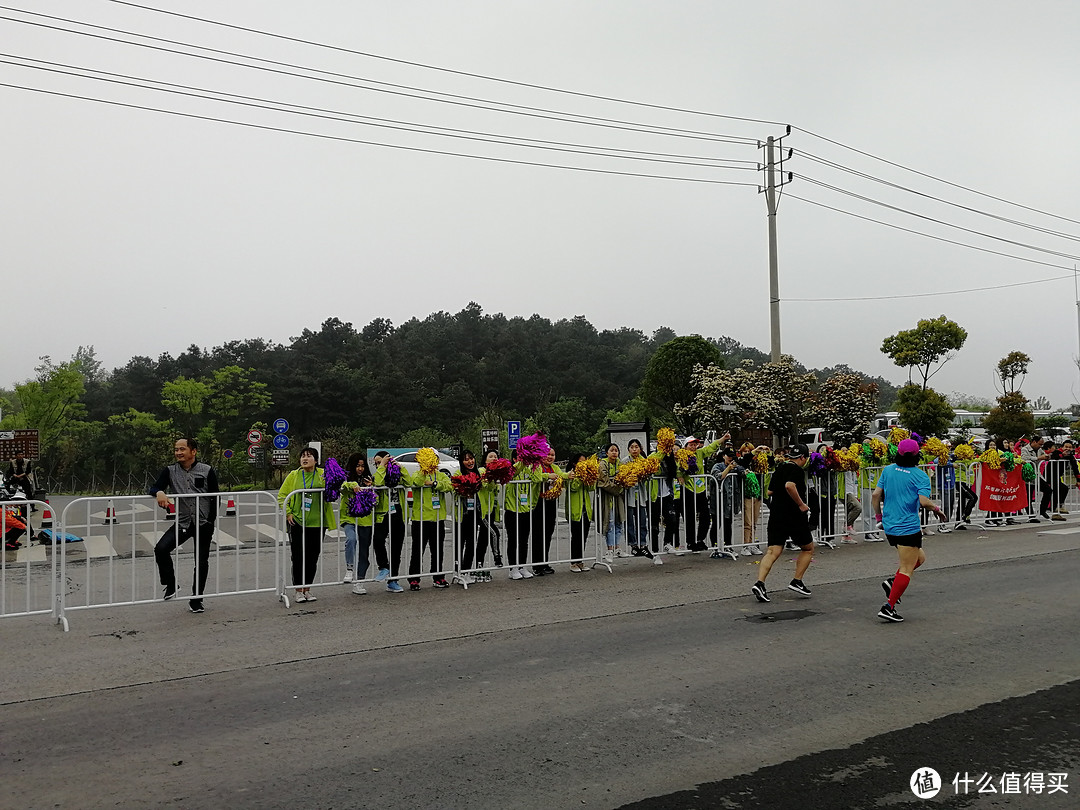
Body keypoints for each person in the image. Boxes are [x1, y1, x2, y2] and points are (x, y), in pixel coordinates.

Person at [874, 438, 948, 623]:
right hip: (907, 526)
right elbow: (924, 502)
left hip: (890, 525)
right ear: (917, 455)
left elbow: (876, 495)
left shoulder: (888, 470)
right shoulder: (920, 476)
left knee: (920, 558)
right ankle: (888, 607)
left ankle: (893, 583)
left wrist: (879, 517)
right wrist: (938, 510)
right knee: (907, 568)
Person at [149, 437, 219, 614]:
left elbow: (216, 497)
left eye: (182, 449)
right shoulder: (170, 471)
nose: (178, 453)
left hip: (203, 523)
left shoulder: (207, 470)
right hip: (183, 522)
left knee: (201, 561)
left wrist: (211, 521)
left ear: (193, 451)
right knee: (161, 549)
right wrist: (159, 492)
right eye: (176, 449)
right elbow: (154, 487)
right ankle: (171, 584)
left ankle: (197, 599)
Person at [751, 443, 814, 603]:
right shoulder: (797, 470)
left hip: (777, 513)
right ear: (802, 458)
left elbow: (770, 491)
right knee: (807, 548)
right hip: (793, 514)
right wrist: (801, 504)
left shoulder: (779, 469)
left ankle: (760, 583)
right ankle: (797, 581)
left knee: (773, 551)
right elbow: (789, 486)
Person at [278, 446, 336, 603]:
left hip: (318, 523)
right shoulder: (294, 475)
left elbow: (338, 486)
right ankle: (298, 590)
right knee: (298, 557)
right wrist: (288, 512)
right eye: (303, 456)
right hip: (298, 521)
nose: (305, 458)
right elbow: (282, 496)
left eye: (309, 456)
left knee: (312, 557)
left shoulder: (323, 474)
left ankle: (307, 589)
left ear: (316, 460)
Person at [406, 457, 453, 590]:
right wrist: (423, 471)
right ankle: (414, 578)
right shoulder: (417, 473)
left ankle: (438, 576)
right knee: (417, 550)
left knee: (437, 550)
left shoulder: (441, 474)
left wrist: (433, 484)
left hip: (437, 518)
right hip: (420, 519)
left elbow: (448, 485)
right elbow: (415, 482)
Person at [340, 452, 379, 595]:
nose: (360, 469)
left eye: (362, 466)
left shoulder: (370, 480)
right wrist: (353, 485)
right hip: (349, 518)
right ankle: (349, 569)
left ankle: (360, 581)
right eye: (357, 466)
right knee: (351, 539)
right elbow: (342, 487)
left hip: (366, 521)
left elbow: (376, 501)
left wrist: (371, 489)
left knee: (364, 552)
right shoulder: (346, 478)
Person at [504, 450, 543, 580]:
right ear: (515, 459)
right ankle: (512, 568)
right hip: (512, 510)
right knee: (513, 540)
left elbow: (537, 478)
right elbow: (514, 471)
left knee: (523, 540)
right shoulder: (511, 470)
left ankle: (522, 566)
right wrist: (523, 461)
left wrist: (536, 463)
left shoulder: (528, 470)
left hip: (525, 510)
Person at [372, 451, 407, 592]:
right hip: (383, 514)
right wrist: (381, 467)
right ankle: (384, 567)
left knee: (396, 549)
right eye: (376, 463)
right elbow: (378, 483)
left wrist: (398, 467)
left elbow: (409, 481)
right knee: (378, 540)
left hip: (398, 513)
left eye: (381, 461)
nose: (378, 465)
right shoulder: (378, 474)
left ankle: (393, 580)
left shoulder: (396, 474)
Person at [684, 434, 726, 551]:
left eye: (694, 445)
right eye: (691, 445)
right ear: (685, 446)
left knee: (706, 517)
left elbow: (711, 447)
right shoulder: (681, 456)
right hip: (688, 489)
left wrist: (722, 439)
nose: (693, 447)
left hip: (701, 489)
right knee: (690, 517)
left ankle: (700, 539)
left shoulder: (700, 453)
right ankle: (691, 542)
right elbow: (678, 469)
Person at [531, 447, 562, 575]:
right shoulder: (537, 466)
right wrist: (547, 476)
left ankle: (545, 562)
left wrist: (569, 475)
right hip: (538, 503)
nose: (550, 457)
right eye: (547, 454)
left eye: (552, 455)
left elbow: (562, 475)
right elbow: (536, 477)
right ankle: (537, 565)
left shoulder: (554, 467)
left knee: (548, 533)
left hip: (551, 502)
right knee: (538, 534)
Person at [565, 452, 595, 572]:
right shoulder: (570, 475)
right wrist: (579, 476)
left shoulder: (584, 474)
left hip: (585, 510)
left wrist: (590, 476)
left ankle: (580, 561)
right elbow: (573, 487)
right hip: (575, 510)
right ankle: (573, 562)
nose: (583, 464)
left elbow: (591, 488)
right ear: (574, 463)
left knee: (584, 536)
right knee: (576, 536)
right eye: (581, 462)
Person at [623, 439, 653, 558]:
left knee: (642, 520)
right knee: (630, 521)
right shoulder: (625, 461)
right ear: (628, 449)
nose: (634, 449)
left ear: (640, 448)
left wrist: (645, 474)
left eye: (636, 447)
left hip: (640, 495)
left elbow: (649, 477)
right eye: (632, 447)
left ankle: (643, 544)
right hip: (629, 495)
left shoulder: (644, 461)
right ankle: (633, 545)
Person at [598, 443, 626, 562]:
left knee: (619, 521)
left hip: (618, 497)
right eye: (611, 450)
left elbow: (625, 478)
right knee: (609, 523)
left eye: (616, 450)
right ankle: (609, 549)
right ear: (607, 452)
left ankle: (617, 547)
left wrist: (620, 487)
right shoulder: (603, 463)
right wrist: (617, 488)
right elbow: (603, 480)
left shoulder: (621, 464)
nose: (614, 452)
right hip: (607, 498)